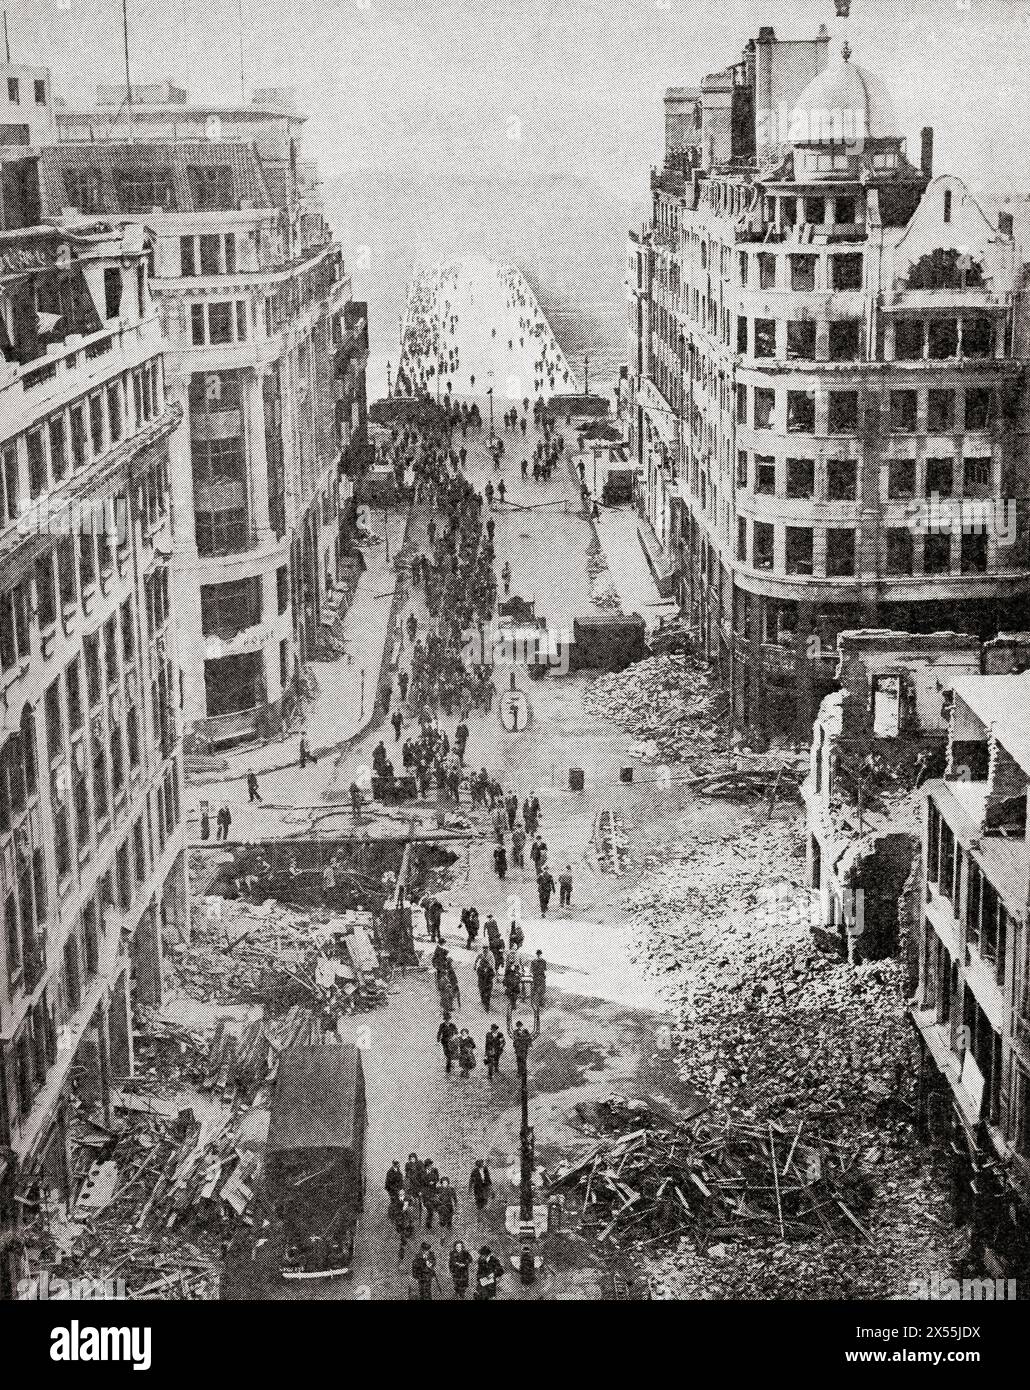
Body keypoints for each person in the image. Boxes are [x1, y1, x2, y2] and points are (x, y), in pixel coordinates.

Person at [397, 1198, 416, 1265]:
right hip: (406, 1229)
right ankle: (403, 1262)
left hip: (406, 1229)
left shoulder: (406, 1209)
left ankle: (402, 1262)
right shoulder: (409, 1209)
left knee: (405, 1245)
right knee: (406, 1245)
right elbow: (411, 1219)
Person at [422, 1158, 441, 1226]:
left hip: (433, 1192)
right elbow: (421, 1181)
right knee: (430, 1209)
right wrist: (428, 1183)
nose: (431, 1166)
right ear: (426, 1166)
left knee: (438, 1205)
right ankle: (428, 1224)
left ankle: (441, 1220)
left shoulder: (435, 1170)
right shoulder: (422, 1172)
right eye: (430, 1165)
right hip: (426, 1194)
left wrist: (434, 1182)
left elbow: (437, 1179)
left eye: (431, 1165)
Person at [475, 946, 495, 1011]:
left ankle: (487, 1006)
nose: (485, 949)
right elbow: (477, 959)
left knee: (488, 994)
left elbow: (493, 963)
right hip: (482, 983)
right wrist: (475, 964)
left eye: (486, 948)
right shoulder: (480, 969)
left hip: (488, 984)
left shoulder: (490, 955)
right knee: (482, 992)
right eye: (484, 948)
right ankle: (483, 1001)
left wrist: (491, 969)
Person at [530, 950, 547, 1024]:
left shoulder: (533, 961)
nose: (539, 955)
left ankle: (536, 1003)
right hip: (541, 977)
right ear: (541, 954)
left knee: (536, 990)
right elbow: (545, 969)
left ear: (536, 954)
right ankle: (541, 1003)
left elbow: (531, 970)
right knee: (542, 990)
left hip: (536, 977)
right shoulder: (543, 961)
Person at [503, 954, 522, 1018]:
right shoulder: (507, 967)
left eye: (513, 960)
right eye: (510, 960)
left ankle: (514, 1005)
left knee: (515, 994)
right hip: (509, 984)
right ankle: (511, 1005)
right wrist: (505, 983)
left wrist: (518, 977)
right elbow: (505, 975)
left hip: (515, 984)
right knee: (509, 994)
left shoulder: (517, 967)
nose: (511, 961)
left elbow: (519, 975)